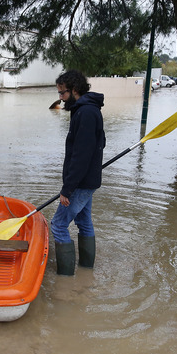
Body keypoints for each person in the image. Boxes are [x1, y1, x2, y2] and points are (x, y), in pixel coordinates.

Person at [52, 70, 106, 275]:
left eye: (62, 93)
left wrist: (67, 188)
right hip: (87, 180)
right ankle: (86, 272)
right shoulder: (87, 110)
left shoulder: (85, 113)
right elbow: (99, 142)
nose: (60, 97)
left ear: (75, 90)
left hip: (81, 182)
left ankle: (65, 281)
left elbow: (80, 155)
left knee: (58, 225)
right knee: (83, 222)